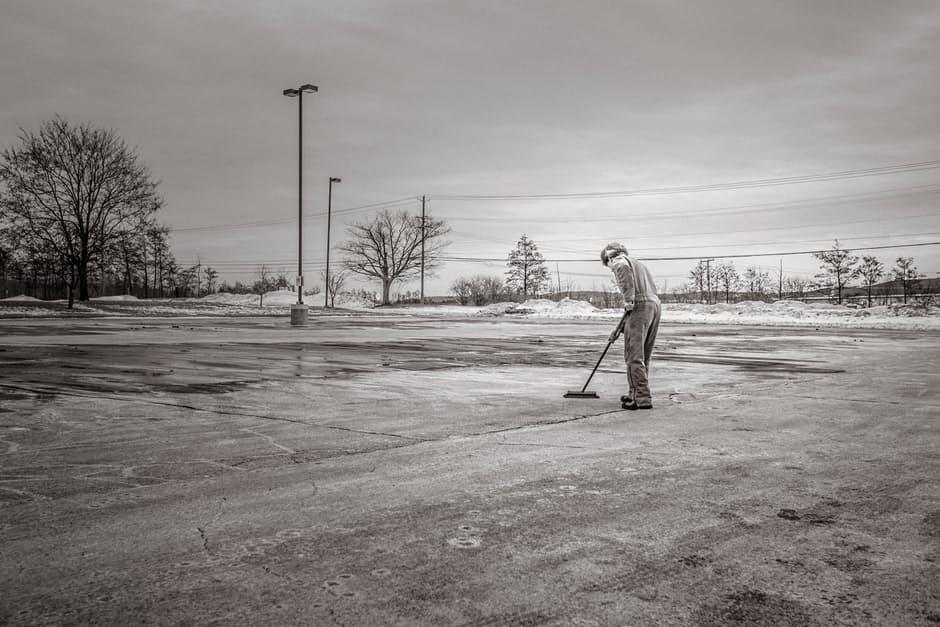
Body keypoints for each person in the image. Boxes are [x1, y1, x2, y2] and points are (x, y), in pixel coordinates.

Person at [601, 242, 661, 410]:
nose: (610, 266)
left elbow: (630, 292)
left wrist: (628, 300)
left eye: (607, 263)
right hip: (654, 304)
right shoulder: (638, 263)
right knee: (643, 354)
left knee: (633, 355)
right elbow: (635, 306)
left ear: (609, 256)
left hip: (641, 304)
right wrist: (619, 330)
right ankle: (635, 392)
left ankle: (641, 398)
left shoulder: (619, 261)